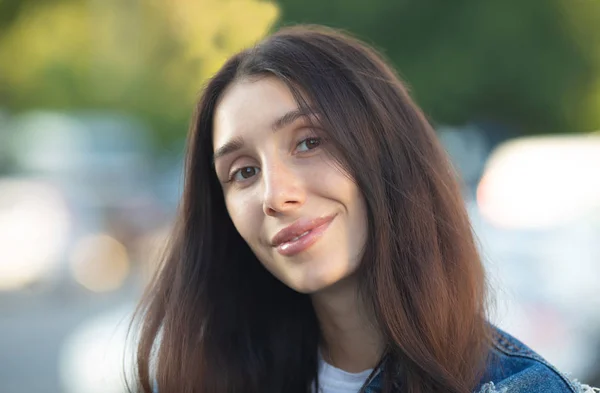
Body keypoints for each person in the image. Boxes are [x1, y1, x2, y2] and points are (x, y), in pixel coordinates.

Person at [132, 25, 598, 393]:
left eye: (309, 142)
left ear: (387, 152)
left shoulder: (521, 389)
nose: (275, 196)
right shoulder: (196, 379)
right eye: (244, 172)